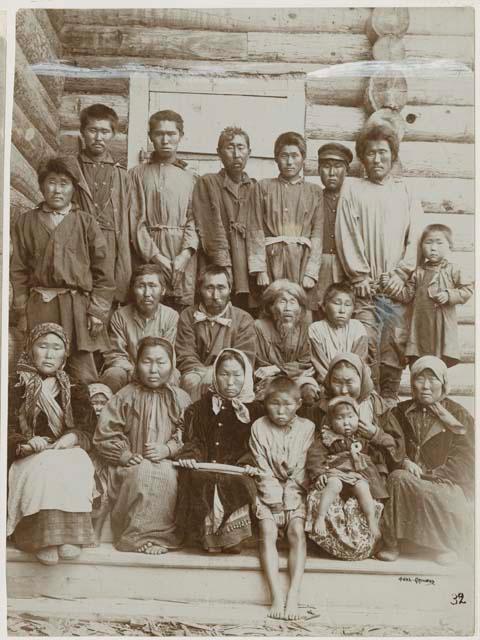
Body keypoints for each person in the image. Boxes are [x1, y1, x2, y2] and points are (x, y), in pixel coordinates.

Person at [336, 124, 422, 403]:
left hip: (396, 287)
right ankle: (366, 406)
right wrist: (359, 275)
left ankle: (389, 404)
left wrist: (401, 273)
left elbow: (417, 236)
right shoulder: (352, 188)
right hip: (366, 289)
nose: (377, 159)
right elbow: (345, 231)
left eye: (383, 152)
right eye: (370, 153)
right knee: (367, 343)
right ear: (362, 157)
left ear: (392, 155)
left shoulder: (406, 190)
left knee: (395, 344)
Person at [10, 157, 115, 384]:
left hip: (76, 308)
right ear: (42, 186)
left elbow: (104, 271)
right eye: (52, 182)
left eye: (64, 183)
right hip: (39, 306)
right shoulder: (26, 222)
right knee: (37, 367)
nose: (57, 190)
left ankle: (81, 415)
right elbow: (18, 270)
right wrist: (22, 309)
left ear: (73, 188)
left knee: (82, 373)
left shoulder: (85, 222)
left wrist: (97, 311)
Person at [7, 323, 96, 565]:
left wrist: (74, 436)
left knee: (78, 463)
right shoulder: (13, 384)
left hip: (63, 449)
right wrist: (24, 442)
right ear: (30, 348)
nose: (49, 354)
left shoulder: (75, 387)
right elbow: (7, 427)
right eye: (42, 346)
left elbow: (88, 426)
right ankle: (39, 537)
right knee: (44, 466)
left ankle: (70, 535)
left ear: (64, 353)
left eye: (56, 348)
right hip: (28, 454)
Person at [93, 337, 191, 554]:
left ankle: (161, 537)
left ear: (172, 365)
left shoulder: (181, 399)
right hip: (130, 466)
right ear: (136, 364)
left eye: (161, 362)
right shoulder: (125, 396)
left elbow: (189, 433)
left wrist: (169, 449)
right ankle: (137, 537)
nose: (154, 369)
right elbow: (105, 434)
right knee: (143, 472)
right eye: (147, 361)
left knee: (166, 473)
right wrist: (125, 454)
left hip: (169, 464)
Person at [379, 356, 474, 565]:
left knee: (447, 495)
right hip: (409, 479)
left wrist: (434, 474)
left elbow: (467, 459)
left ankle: (445, 544)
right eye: (420, 379)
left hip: (444, 480)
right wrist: (403, 460)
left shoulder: (459, 415)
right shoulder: (399, 412)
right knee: (397, 479)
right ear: (412, 383)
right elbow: (387, 445)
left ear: (443, 383)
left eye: (432, 380)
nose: (426, 386)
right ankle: (393, 543)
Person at [176, 348, 263, 553]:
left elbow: (256, 443)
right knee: (202, 478)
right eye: (224, 374)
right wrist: (191, 455)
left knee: (236, 481)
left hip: (240, 468)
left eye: (236, 375)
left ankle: (233, 539)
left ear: (246, 376)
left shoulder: (257, 411)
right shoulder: (200, 408)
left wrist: (248, 463)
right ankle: (206, 539)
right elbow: (195, 439)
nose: (230, 382)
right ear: (215, 375)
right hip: (206, 464)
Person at [250, 377, 315, 620]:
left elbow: (301, 470)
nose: (280, 410)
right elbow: (262, 468)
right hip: (267, 493)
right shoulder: (259, 427)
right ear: (266, 404)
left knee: (296, 530)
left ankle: (294, 594)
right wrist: (275, 502)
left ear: (298, 404)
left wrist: (288, 503)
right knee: (267, 530)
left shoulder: (307, 427)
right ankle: (276, 594)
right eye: (274, 404)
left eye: (287, 404)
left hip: (296, 492)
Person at [306, 396, 400, 559]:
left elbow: (377, 455)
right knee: (334, 485)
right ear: (331, 421)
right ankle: (320, 517)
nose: (346, 422)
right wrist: (319, 473)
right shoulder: (327, 438)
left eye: (350, 417)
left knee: (363, 488)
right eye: (340, 418)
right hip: (336, 472)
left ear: (358, 417)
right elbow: (315, 456)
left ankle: (371, 521)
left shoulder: (363, 437)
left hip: (358, 474)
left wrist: (378, 470)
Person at [129, 109, 198, 311]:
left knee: (180, 311)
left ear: (181, 136)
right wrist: (156, 257)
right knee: (147, 304)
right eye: (159, 134)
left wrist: (185, 255)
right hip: (148, 252)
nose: (165, 140)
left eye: (171, 134)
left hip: (182, 255)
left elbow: (195, 220)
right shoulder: (136, 174)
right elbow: (135, 221)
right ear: (151, 137)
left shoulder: (191, 178)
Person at [192, 126, 266, 309]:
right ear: (219, 153)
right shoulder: (208, 182)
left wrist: (258, 268)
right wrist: (224, 268)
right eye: (230, 147)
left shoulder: (254, 187)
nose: (236, 154)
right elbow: (210, 229)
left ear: (249, 152)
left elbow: (257, 228)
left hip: (247, 264)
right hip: (218, 263)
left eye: (241, 148)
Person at [384, 224, 473, 367]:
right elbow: (406, 295)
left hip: (440, 328)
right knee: (418, 363)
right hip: (420, 327)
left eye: (439, 243)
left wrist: (449, 295)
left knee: (438, 365)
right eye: (428, 242)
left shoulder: (453, 269)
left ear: (449, 246)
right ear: (421, 246)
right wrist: (389, 287)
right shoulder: (418, 272)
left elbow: (467, 289)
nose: (433, 248)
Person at [70, 103, 132, 306]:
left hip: (110, 245)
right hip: (76, 242)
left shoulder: (121, 175)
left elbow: (126, 222)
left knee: (105, 303)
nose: (98, 137)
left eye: (105, 131)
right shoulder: (70, 169)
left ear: (113, 134)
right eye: (92, 130)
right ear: (82, 132)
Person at [256, 131, 324, 310]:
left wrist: (311, 272)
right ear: (276, 158)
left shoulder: (315, 191)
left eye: (295, 156)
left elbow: (317, 234)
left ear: (303, 158)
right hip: (272, 260)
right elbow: (255, 229)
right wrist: (260, 269)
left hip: (302, 260)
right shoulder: (263, 187)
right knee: (272, 307)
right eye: (284, 156)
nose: (289, 162)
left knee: (300, 308)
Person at [175, 265, 256, 401]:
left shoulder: (243, 318)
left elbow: (244, 357)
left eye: (221, 288)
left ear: (230, 289)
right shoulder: (188, 315)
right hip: (196, 373)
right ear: (200, 290)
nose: (215, 295)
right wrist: (205, 374)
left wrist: (214, 374)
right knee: (190, 381)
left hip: (230, 374)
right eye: (209, 288)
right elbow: (185, 354)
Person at [101, 264, 179, 392]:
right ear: (133, 289)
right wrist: (137, 372)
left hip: (157, 369)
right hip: (128, 370)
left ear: (163, 290)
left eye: (153, 286)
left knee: (173, 376)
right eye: (141, 286)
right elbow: (115, 355)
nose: (147, 293)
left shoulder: (170, 316)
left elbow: (168, 356)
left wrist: (150, 371)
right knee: (113, 374)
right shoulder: (120, 316)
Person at [254, 279, 319, 404]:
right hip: (269, 380)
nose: (288, 308)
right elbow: (261, 366)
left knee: (309, 392)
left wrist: (278, 368)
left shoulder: (305, 329)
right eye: (282, 301)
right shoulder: (259, 327)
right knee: (267, 395)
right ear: (271, 307)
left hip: (299, 378)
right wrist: (286, 370)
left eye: (293, 302)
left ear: (300, 309)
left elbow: (305, 363)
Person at [315, 143, 352, 314]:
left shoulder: (353, 202)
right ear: (318, 170)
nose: (331, 173)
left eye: (338, 166)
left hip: (346, 265)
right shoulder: (313, 198)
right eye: (326, 166)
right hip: (317, 265)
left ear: (347, 170)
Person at [309, 283, 368, 386]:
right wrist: (334, 384)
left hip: (353, 382)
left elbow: (358, 363)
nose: (342, 310)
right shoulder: (316, 329)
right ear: (323, 306)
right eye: (337, 303)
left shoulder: (358, 328)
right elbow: (320, 365)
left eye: (347, 305)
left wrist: (347, 383)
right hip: (326, 382)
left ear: (353, 308)